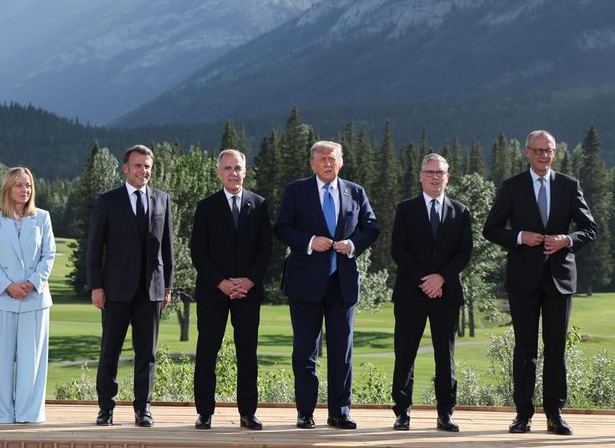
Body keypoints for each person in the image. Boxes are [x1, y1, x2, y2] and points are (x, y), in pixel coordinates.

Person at [482, 130, 597, 435]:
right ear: (526, 153)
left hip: (560, 280)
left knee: (556, 348)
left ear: (554, 154)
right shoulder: (512, 187)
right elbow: (490, 229)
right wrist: (520, 237)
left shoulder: (569, 185)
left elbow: (590, 228)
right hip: (522, 280)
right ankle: (523, 414)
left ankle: (555, 414)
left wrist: (566, 240)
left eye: (549, 151)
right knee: (524, 350)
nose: (544, 155)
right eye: (538, 150)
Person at [274, 140, 379, 430]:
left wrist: (352, 244)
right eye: (322, 159)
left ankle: (340, 411)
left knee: (341, 350)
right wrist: (309, 241)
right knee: (305, 350)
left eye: (332, 159)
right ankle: (305, 412)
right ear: (312, 163)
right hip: (305, 282)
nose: (328, 163)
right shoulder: (296, 191)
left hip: (342, 283)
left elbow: (372, 228)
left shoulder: (355, 192)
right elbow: (281, 227)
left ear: (341, 161)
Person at [87, 145, 174, 427]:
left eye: (147, 166)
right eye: (138, 166)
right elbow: (94, 248)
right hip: (115, 289)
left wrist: (168, 286)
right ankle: (106, 408)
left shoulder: (162, 200)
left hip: (152, 289)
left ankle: (143, 407)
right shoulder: (108, 201)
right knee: (110, 350)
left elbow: (168, 249)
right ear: (126, 168)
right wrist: (96, 286)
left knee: (146, 353)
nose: (143, 171)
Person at [389, 153, 472, 432]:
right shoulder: (406, 209)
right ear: (421, 176)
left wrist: (441, 278)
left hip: (446, 294)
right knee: (405, 353)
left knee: (444, 355)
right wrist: (424, 280)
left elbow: (464, 253)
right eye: (430, 172)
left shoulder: (460, 211)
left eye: (441, 172)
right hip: (410, 292)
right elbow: (398, 250)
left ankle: (445, 413)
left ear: (448, 177)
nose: (436, 177)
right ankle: (402, 412)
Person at [189, 149, 272, 430]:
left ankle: (248, 413)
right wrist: (222, 283)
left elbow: (265, 250)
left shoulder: (259, 205)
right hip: (214, 292)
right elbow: (198, 252)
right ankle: (205, 412)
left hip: (248, 293)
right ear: (218, 172)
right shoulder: (206, 206)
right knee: (207, 352)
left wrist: (248, 281)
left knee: (247, 353)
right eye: (227, 168)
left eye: (238, 168)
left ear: (245, 172)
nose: (233, 173)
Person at [0, 167, 56, 424]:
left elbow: (49, 255)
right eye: (19, 185)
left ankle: (29, 413)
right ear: (7, 189)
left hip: (35, 298)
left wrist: (33, 283)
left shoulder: (42, 218)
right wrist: (8, 285)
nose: (25, 190)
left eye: (28, 185)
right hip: (0, 298)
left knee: (32, 362)